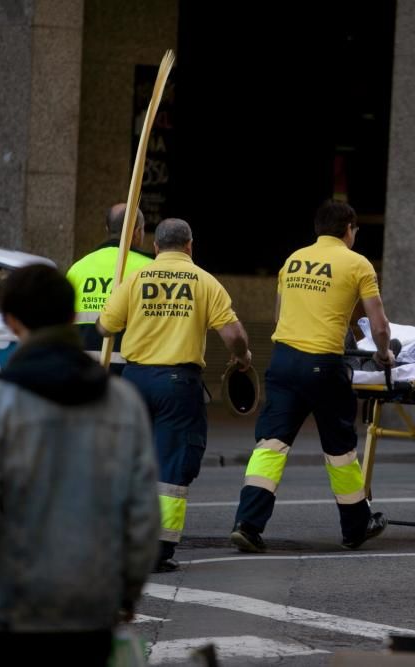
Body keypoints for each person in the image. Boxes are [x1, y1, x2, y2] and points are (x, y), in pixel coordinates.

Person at [0, 264, 159, 667]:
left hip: (4, 606)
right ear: (70, 317)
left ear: (12, 323)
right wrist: (126, 590)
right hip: (90, 604)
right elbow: (143, 514)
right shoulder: (121, 402)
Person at [231, 199, 395, 553]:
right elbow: (379, 325)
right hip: (322, 363)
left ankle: (247, 523)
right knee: (340, 448)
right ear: (349, 229)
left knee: (271, 445)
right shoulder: (358, 264)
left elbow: (279, 316)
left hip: (283, 360)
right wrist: (383, 354)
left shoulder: (293, 260)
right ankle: (355, 527)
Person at [97, 218, 252, 572]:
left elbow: (106, 326)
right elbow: (233, 335)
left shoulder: (135, 278)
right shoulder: (204, 281)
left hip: (134, 380)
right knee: (170, 468)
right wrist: (243, 358)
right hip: (177, 384)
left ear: (155, 247)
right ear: (190, 246)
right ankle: (157, 550)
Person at [66, 203, 154, 370]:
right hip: (132, 370)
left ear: (107, 229)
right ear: (137, 232)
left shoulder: (78, 267)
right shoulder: (152, 268)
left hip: (83, 369)